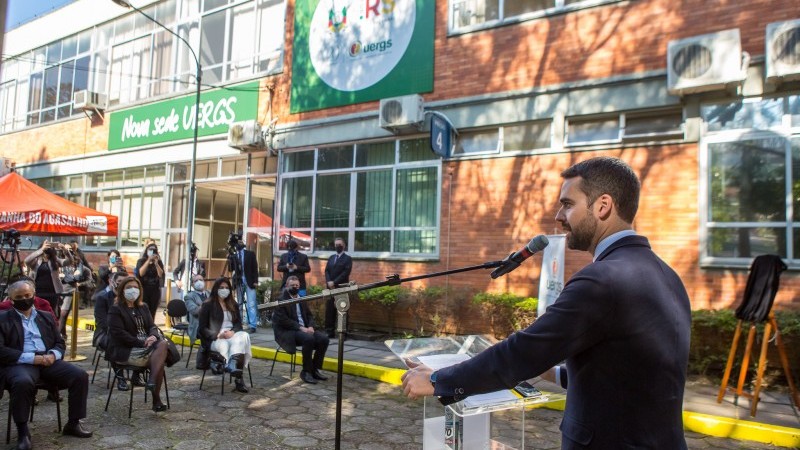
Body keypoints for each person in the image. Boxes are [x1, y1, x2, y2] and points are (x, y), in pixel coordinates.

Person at [401, 157, 692, 450]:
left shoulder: (602, 279)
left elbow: (525, 351)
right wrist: (548, 370)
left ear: (602, 206)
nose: (558, 215)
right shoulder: (668, 276)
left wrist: (439, 380)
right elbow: (629, 375)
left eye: (568, 204)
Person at [0, 280, 93, 450]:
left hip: (48, 360)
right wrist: (31, 358)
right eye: (19, 297)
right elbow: (1, 350)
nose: (24, 299)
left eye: (28, 295)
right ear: (11, 300)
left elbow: (59, 342)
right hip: (20, 362)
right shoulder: (3, 319)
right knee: (22, 382)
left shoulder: (46, 316)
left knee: (80, 376)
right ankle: (23, 432)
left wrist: (53, 355)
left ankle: (73, 423)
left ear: (33, 295)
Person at [106, 276, 170, 412]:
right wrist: (142, 343)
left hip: (148, 346)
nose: (133, 290)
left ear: (140, 290)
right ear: (122, 290)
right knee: (159, 359)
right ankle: (156, 398)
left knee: (161, 345)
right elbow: (119, 334)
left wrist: (152, 336)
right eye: (129, 288)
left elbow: (152, 326)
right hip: (127, 349)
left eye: (135, 287)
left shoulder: (143, 307)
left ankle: (152, 384)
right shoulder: (116, 309)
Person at [197, 277, 251, 393]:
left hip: (231, 335)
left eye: (227, 288)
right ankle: (238, 378)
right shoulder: (207, 305)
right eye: (221, 287)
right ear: (216, 288)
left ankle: (232, 363)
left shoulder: (233, 304)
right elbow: (202, 329)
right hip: (215, 339)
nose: (224, 290)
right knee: (236, 345)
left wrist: (233, 332)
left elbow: (238, 325)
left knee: (244, 336)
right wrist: (217, 334)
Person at [272, 275, 329, 384]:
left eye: (297, 285)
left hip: (305, 329)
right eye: (292, 285)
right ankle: (306, 372)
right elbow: (283, 321)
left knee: (324, 339)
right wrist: (301, 328)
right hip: (289, 332)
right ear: (287, 286)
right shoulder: (281, 300)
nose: (295, 287)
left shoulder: (301, 298)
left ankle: (314, 369)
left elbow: (309, 315)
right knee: (309, 339)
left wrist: (311, 326)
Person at [93, 271, 129, 391]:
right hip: (105, 334)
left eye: (125, 283)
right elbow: (102, 322)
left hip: (126, 333)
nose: (122, 285)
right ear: (112, 282)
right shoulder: (102, 298)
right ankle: (120, 378)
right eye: (120, 282)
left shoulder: (129, 299)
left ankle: (137, 374)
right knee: (115, 342)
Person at [24, 240, 73, 316]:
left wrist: (64, 250)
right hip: (38, 291)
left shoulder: (55, 261)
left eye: (48, 252)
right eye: (45, 252)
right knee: (37, 312)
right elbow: (26, 261)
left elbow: (70, 261)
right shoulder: (36, 262)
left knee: (51, 312)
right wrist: (41, 249)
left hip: (52, 291)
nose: (46, 254)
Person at [227, 239, 259, 333]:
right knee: (239, 303)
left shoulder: (250, 254)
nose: (239, 244)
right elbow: (231, 269)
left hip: (250, 281)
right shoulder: (234, 255)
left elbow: (255, 268)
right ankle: (239, 324)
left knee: (251, 304)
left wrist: (255, 281)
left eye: (241, 242)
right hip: (239, 281)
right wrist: (229, 259)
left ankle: (252, 325)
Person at [323, 237, 352, 337]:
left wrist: (334, 282)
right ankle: (329, 331)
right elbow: (326, 271)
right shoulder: (331, 258)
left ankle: (342, 333)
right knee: (330, 310)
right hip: (330, 288)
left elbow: (345, 273)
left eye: (339, 244)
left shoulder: (347, 259)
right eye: (336, 245)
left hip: (341, 287)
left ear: (343, 245)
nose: (337, 246)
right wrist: (328, 282)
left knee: (342, 310)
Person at [135, 242, 165, 319]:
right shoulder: (141, 261)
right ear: (147, 250)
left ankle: (151, 327)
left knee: (152, 312)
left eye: (154, 250)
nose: (152, 251)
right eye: (150, 249)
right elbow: (141, 273)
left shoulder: (159, 262)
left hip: (154, 290)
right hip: (143, 289)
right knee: (143, 310)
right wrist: (148, 260)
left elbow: (160, 274)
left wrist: (156, 263)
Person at [183, 274, 209, 346]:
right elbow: (195, 311)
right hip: (198, 327)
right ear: (192, 285)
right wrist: (208, 304)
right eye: (196, 281)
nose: (199, 282)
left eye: (201, 280)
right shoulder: (189, 297)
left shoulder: (210, 293)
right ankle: (203, 355)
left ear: (204, 282)